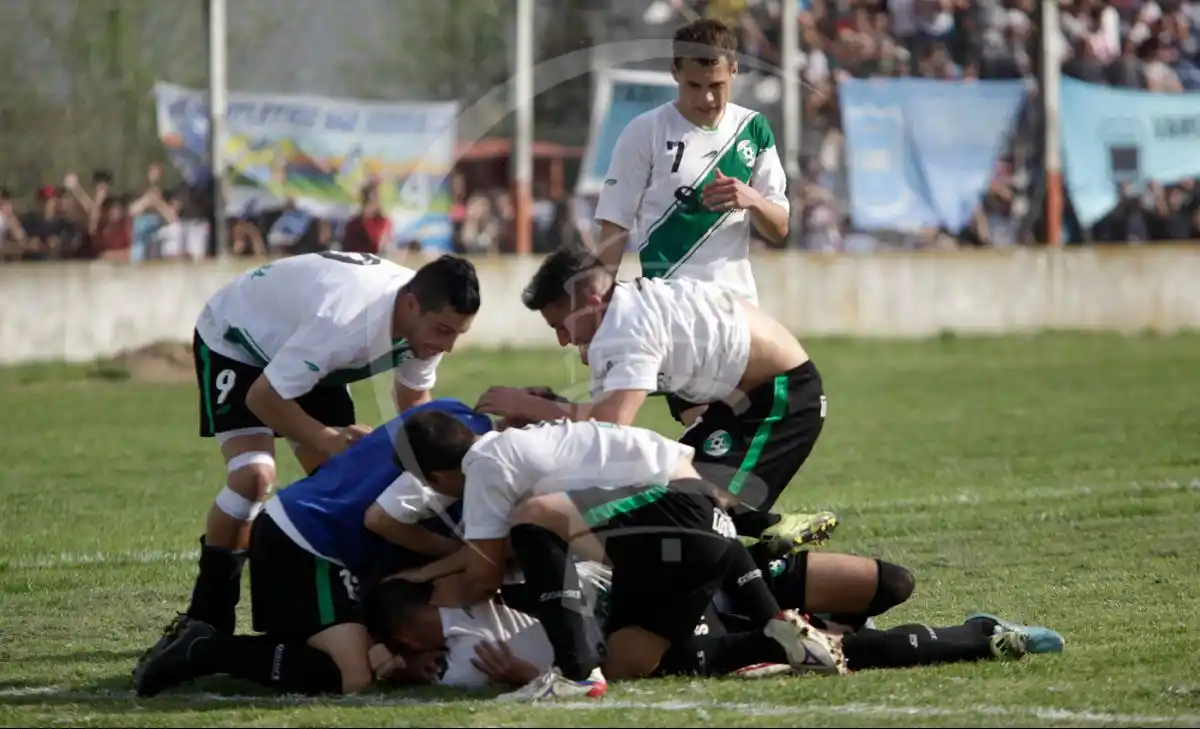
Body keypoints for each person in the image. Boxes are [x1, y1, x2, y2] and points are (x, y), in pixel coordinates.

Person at [392, 411, 849, 702]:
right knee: (626, 667)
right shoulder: (530, 444)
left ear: (436, 476)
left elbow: (484, 573)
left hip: (677, 515)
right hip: (703, 526)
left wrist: (436, 587)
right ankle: (779, 631)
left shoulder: (486, 465)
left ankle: (575, 675)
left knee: (530, 520)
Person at [177, 251, 479, 645]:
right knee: (252, 476)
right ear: (410, 305)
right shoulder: (345, 321)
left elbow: (414, 407)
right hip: (239, 340)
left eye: (457, 333)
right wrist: (326, 439)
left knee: (340, 485)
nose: (449, 346)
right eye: (443, 331)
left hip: (310, 355)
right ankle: (207, 618)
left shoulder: (419, 320)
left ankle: (341, 609)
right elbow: (264, 398)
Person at [476, 246, 832, 558]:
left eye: (562, 325)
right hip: (741, 399)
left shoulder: (626, 327)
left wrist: (533, 407)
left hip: (783, 397)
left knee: (695, 508)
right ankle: (773, 532)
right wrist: (552, 406)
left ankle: (773, 558)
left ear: (591, 302)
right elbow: (601, 424)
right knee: (670, 488)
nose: (562, 340)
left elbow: (611, 425)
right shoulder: (620, 312)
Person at [132, 396, 494, 698]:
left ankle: (206, 651)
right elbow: (379, 519)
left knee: (329, 668)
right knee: (356, 678)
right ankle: (203, 652)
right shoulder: (464, 468)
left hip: (303, 531)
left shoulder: (451, 416)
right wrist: (450, 553)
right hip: (309, 541)